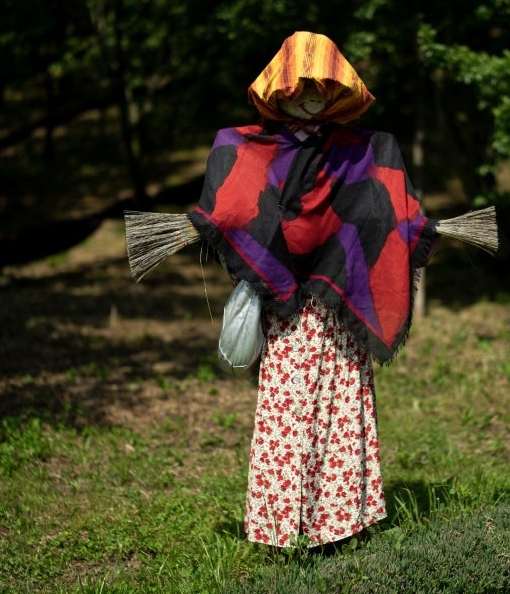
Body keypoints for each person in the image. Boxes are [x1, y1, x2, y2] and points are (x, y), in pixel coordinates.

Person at [188, 31, 440, 548]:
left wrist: (414, 227)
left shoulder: (361, 151)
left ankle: (340, 524)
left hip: (342, 307)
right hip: (290, 312)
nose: (312, 97)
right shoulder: (256, 146)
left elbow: (379, 207)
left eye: (323, 87)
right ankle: (282, 526)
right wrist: (218, 222)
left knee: (344, 402)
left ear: (336, 93)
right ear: (279, 90)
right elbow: (238, 201)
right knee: (288, 406)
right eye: (301, 86)